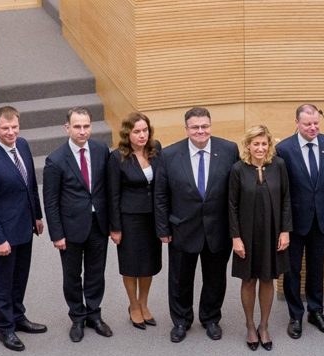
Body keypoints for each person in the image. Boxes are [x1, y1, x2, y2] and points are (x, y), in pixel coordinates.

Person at [154, 107, 239, 343]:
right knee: (180, 278)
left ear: (210, 126)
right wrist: (162, 228)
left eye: (205, 126)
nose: (200, 131)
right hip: (182, 228)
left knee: (215, 278)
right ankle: (181, 320)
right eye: (195, 127)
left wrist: (236, 230)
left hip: (218, 228)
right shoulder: (169, 154)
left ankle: (210, 318)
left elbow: (236, 192)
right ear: (186, 129)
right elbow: (160, 196)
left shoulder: (229, 150)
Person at [0, 106, 47, 352]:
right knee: (4, 280)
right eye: (5, 128)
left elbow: (30, 184)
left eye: (14, 127)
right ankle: (5, 327)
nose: (11, 132)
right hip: (5, 234)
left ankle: (18, 316)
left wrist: (37, 215)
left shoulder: (22, 145)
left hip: (25, 226)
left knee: (21, 275)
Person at [43, 107, 112, 342]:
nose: (82, 131)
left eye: (86, 126)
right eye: (77, 127)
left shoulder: (101, 150)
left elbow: (107, 189)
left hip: (98, 224)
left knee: (96, 272)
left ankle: (94, 314)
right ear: (67, 128)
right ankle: (78, 317)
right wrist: (56, 234)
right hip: (70, 228)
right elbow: (51, 201)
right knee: (72, 276)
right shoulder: (55, 159)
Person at [275, 104, 324, 339]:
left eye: (315, 123)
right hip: (294, 222)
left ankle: (316, 311)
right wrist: (283, 226)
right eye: (307, 124)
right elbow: (282, 191)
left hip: (321, 219)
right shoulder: (284, 149)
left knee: (316, 268)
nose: (312, 128)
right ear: (297, 123)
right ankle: (295, 315)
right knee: (292, 271)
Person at [229, 125, 293, 351]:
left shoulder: (279, 165)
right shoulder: (238, 169)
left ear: (269, 145)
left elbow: (286, 199)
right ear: (248, 145)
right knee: (248, 280)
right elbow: (231, 205)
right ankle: (249, 325)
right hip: (246, 234)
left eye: (264, 143)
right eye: (255, 144)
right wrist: (235, 237)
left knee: (267, 279)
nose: (260, 148)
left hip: (272, 233)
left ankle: (264, 326)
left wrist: (285, 230)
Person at [107, 112, 162, 330]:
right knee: (131, 264)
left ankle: (143, 303)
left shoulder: (155, 149)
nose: (142, 135)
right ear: (127, 133)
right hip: (129, 219)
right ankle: (133, 305)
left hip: (152, 217)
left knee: (149, 263)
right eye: (137, 131)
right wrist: (115, 227)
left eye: (145, 130)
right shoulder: (117, 157)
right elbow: (113, 194)